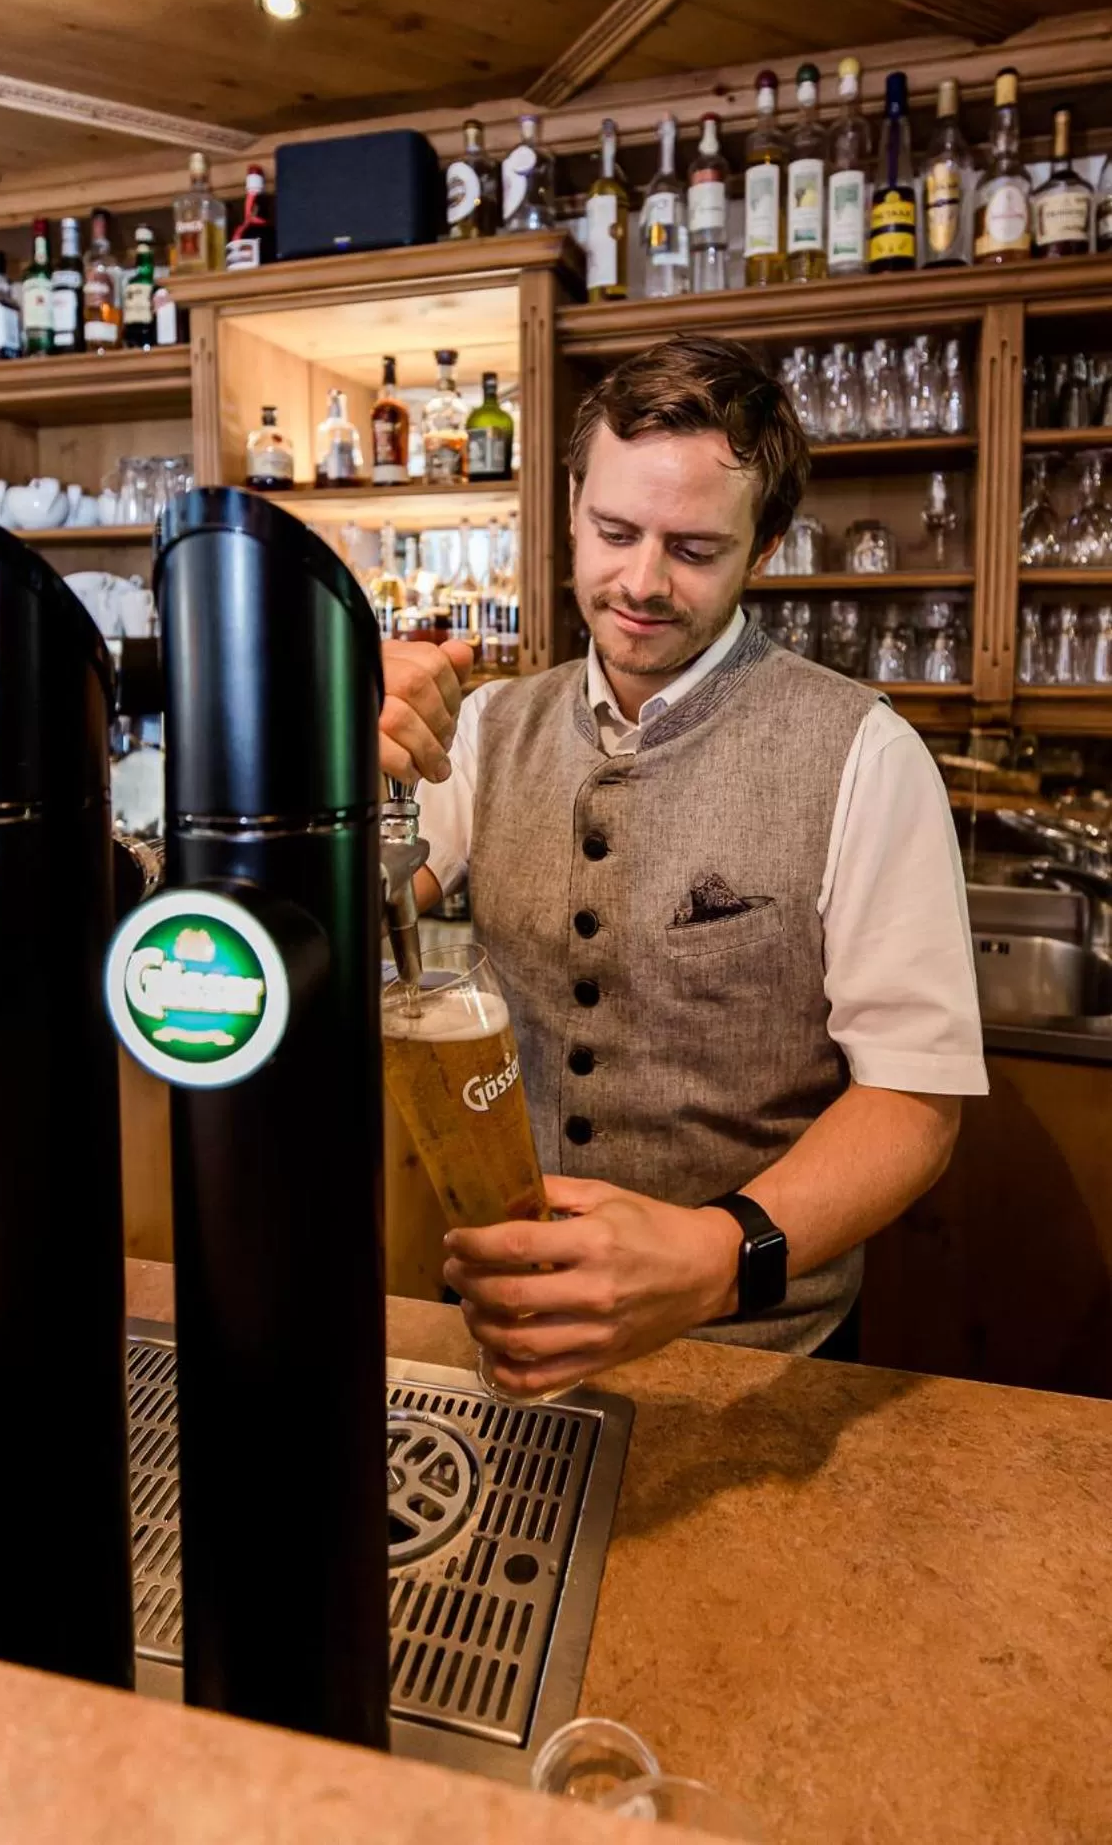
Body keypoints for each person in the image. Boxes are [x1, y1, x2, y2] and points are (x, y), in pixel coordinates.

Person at [380, 335, 986, 1395]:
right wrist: (325, 774)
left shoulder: (863, 754)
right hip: (506, 1320)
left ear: (765, 548)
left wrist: (717, 1257)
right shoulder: (486, 729)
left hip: (753, 1353)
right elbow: (339, 931)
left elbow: (915, 1103)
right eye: (613, 531)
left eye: (695, 549)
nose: (640, 582)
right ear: (571, 507)